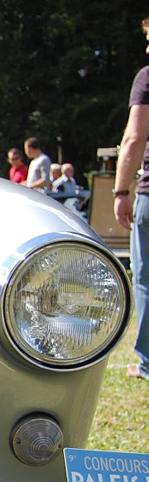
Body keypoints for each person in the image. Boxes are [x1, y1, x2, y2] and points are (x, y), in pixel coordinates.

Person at [114, 14, 149, 380]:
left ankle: (148, 362)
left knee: (145, 278)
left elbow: (135, 138)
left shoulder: (147, 77)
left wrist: (121, 190)